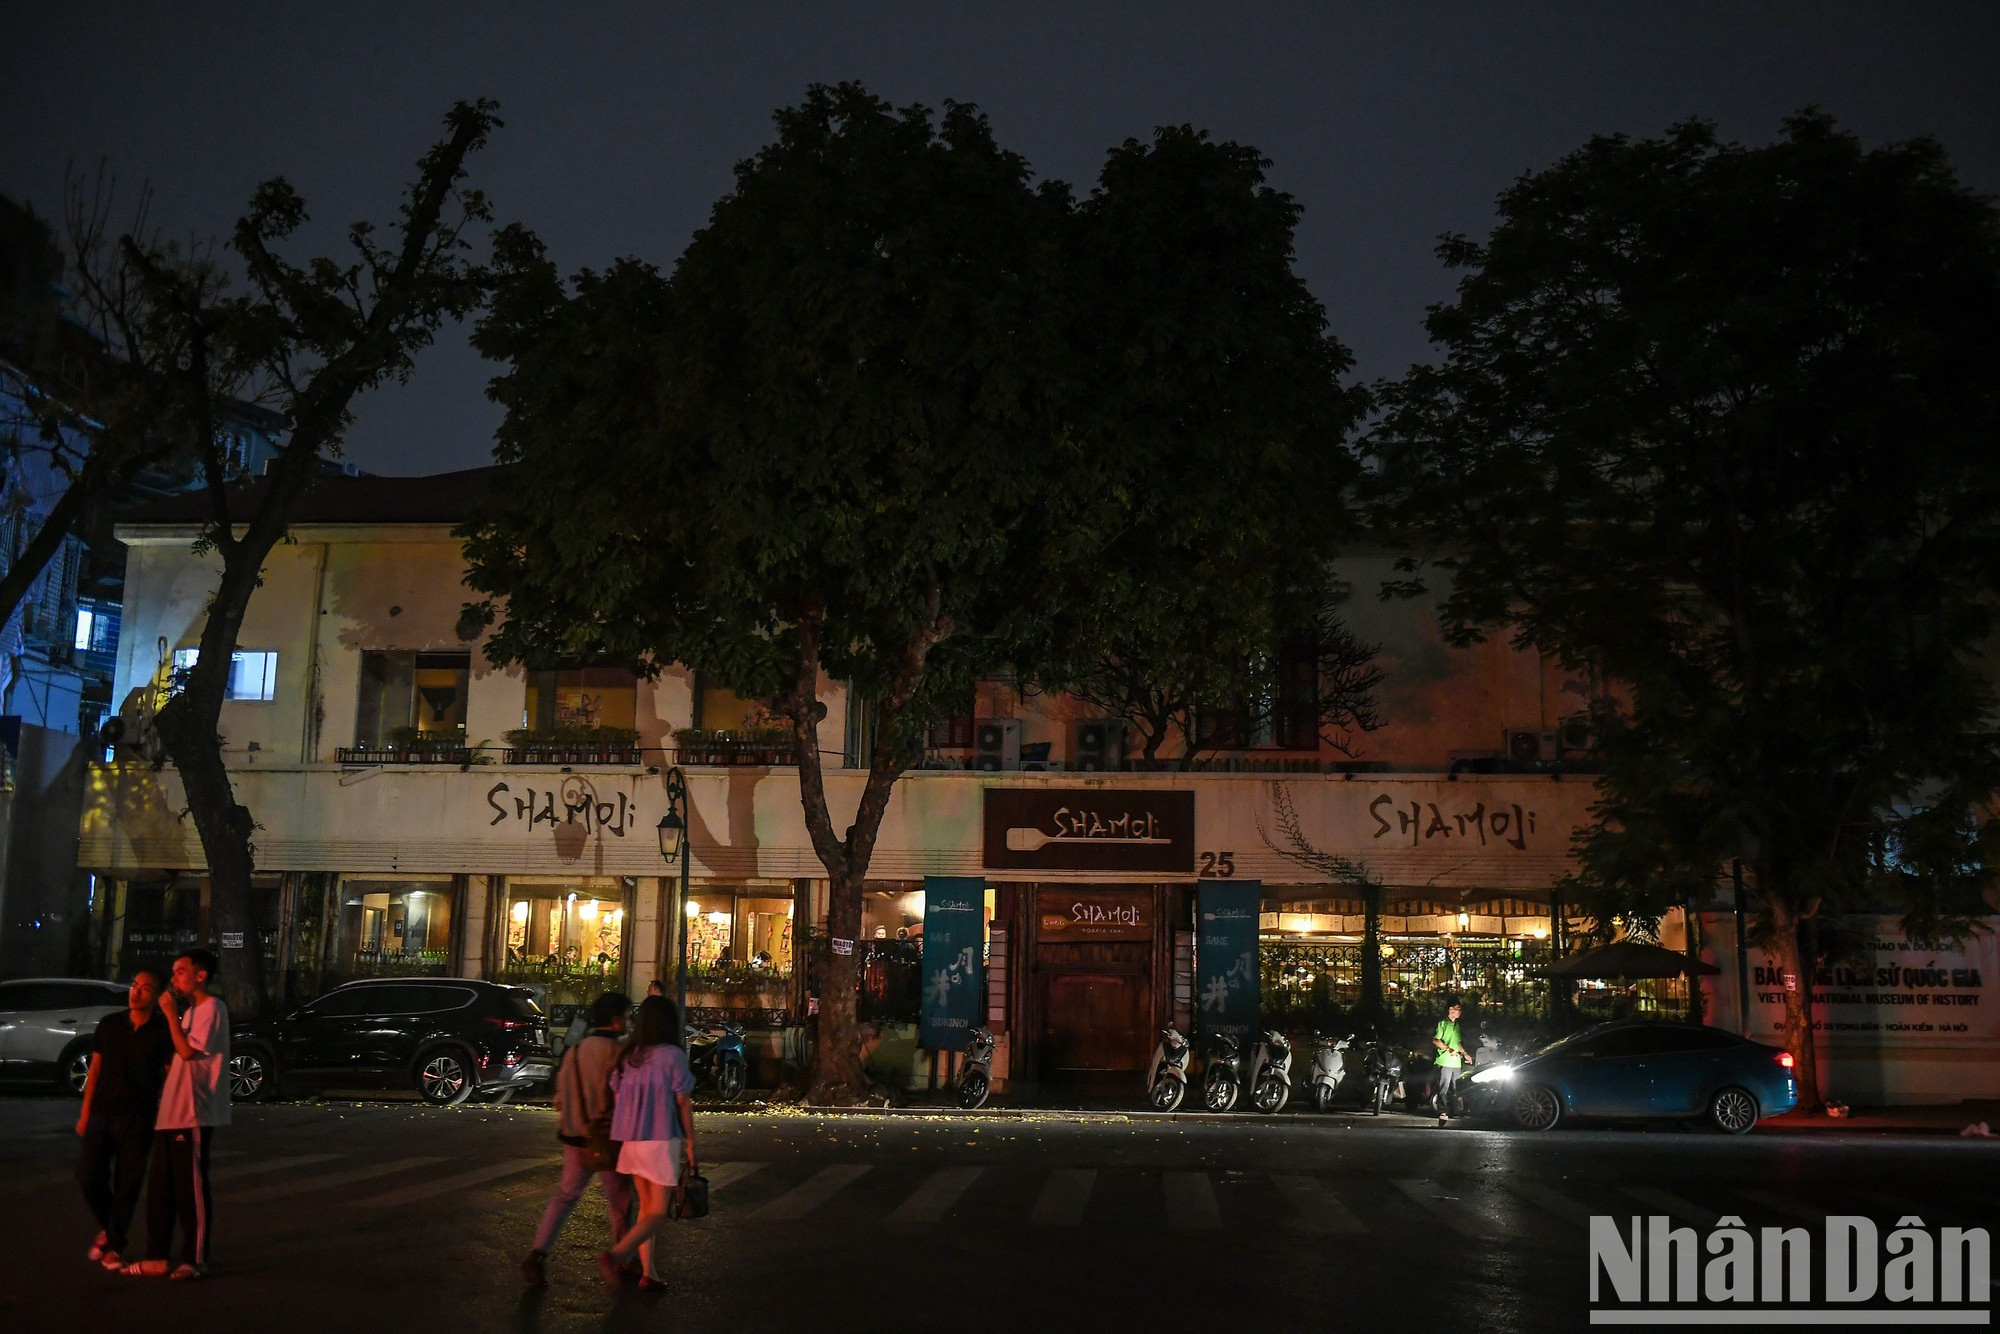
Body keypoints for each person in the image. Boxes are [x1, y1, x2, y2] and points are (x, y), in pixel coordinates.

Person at [125, 948, 230, 1279]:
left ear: (201, 975)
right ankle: (156, 1254)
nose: (174, 978)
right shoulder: (189, 1012)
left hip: (193, 1111)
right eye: (173, 971)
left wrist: (170, 1015)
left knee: (190, 1188)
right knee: (160, 1188)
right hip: (171, 1110)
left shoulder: (212, 1008)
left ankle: (194, 1258)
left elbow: (187, 1051)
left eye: (181, 971)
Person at [522, 991, 635, 1287]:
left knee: (565, 1197)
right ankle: (622, 1260)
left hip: (574, 1138)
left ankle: (537, 1254)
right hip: (606, 1140)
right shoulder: (618, 1054)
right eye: (626, 1016)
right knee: (620, 1202)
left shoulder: (573, 1052)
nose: (628, 1022)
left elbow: (559, 1099)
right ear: (615, 1020)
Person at [75, 967, 175, 1271]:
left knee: (127, 1183)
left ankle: (115, 1245)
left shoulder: (161, 1031)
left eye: (145, 988)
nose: (136, 991)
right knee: (88, 1175)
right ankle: (111, 1228)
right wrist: (85, 1111)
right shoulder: (110, 1025)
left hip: (139, 1116)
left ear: (157, 996)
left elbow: (171, 1076)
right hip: (103, 1112)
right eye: (134, 985)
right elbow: (95, 1070)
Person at [599, 995, 696, 1292]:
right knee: (656, 1213)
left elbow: (617, 1097)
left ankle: (649, 1272)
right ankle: (616, 1255)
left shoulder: (630, 1055)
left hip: (631, 1139)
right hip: (660, 1138)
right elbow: (682, 1101)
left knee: (645, 1208)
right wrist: (692, 1145)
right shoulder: (672, 1055)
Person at [1432, 998, 1469, 1125]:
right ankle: (1442, 1112)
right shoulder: (1442, 1023)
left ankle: (1454, 1111)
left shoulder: (1456, 1025)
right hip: (1445, 1061)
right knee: (1444, 1087)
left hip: (1456, 1062)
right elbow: (1436, 1040)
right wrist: (1449, 1049)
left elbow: (1457, 1042)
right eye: (1457, 1009)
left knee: (1456, 1087)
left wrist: (1465, 1054)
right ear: (1450, 1010)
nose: (1460, 1012)